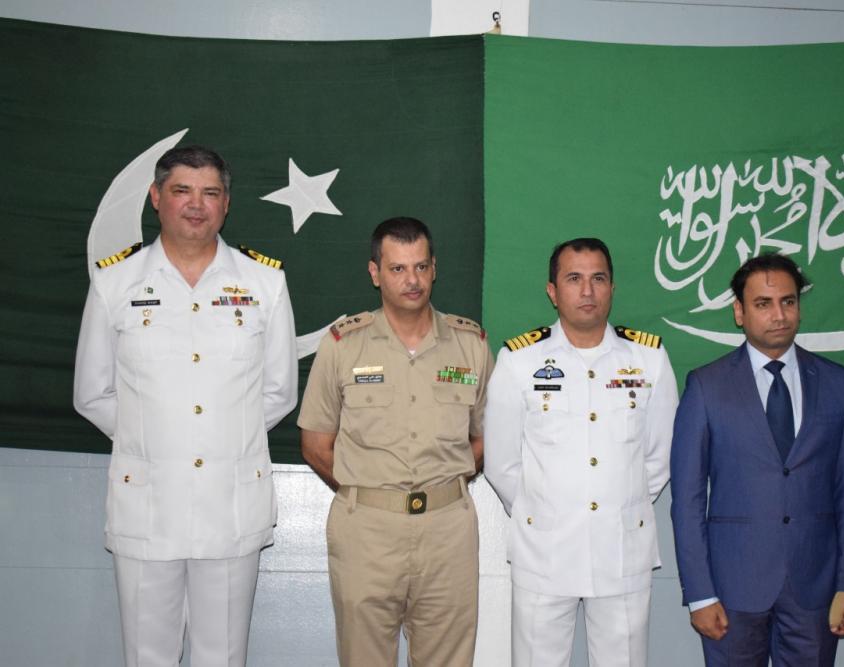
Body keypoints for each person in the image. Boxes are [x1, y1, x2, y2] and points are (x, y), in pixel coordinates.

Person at [73, 145, 298, 667]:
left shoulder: (263, 283)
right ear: (156, 198)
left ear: (226, 204)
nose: (196, 205)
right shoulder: (116, 282)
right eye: (182, 191)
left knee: (223, 656)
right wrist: (156, 437)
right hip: (147, 502)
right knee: (147, 657)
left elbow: (279, 391)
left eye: (210, 193)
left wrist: (218, 438)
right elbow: (92, 393)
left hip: (231, 503)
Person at [297, 216, 493, 667]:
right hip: (366, 529)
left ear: (435, 269)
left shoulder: (471, 344)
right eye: (399, 269)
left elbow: (487, 438)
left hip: (447, 532)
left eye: (421, 267)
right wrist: (363, 489)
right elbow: (315, 443)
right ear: (375, 273)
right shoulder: (344, 344)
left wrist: (452, 476)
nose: (412, 280)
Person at [484, 237, 678, 667]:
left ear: (612, 288)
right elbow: (501, 464)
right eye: (573, 279)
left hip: (621, 549)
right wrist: (550, 510)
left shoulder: (649, 359)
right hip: (544, 552)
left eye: (598, 278)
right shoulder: (519, 361)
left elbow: (660, 458)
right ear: (553, 291)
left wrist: (614, 503)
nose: (587, 291)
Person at [670, 253, 844, 666]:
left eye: (788, 302)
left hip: (815, 588)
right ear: (739, 312)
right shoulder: (706, 387)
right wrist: (700, 594)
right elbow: (687, 501)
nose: (778, 314)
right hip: (732, 590)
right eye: (763, 304)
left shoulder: (837, 383)